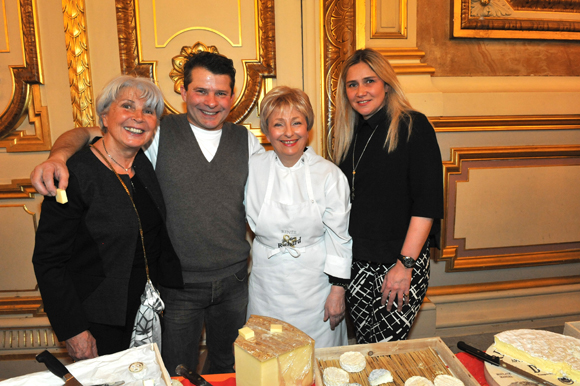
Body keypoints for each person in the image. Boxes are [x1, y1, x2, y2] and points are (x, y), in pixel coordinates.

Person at [30, 52, 264, 374]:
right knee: (174, 371)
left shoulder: (242, 140)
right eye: (201, 91)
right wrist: (57, 156)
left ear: (232, 97)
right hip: (175, 289)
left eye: (221, 93)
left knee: (228, 366)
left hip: (232, 282)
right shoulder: (154, 136)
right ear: (182, 92)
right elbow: (84, 135)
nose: (211, 101)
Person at [32, 75, 183, 361]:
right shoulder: (73, 175)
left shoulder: (141, 161)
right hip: (98, 320)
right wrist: (74, 331)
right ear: (104, 116)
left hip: (146, 311)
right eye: (127, 106)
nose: (138, 118)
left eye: (148, 111)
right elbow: (48, 261)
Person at [332, 48, 444, 343]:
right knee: (366, 347)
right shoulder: (347, 134)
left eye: (369, 81)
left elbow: (427, 204)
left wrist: (404, 266)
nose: (360, 92)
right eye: (352, 84)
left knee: (384, 348)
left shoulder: (412, 126)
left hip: (399, 262)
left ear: (386, 83)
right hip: (357, 263)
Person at [245, 86, 352, 347]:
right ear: (267, 131)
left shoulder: (329, 175)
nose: (289, 133)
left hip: (315, 286)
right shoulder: (252, 168)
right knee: (267, 354)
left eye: (297, 123)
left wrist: (337, 291)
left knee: (318, 359)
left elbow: (340, 237)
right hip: (266, 283)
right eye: (278, 124)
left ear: (308, 127)